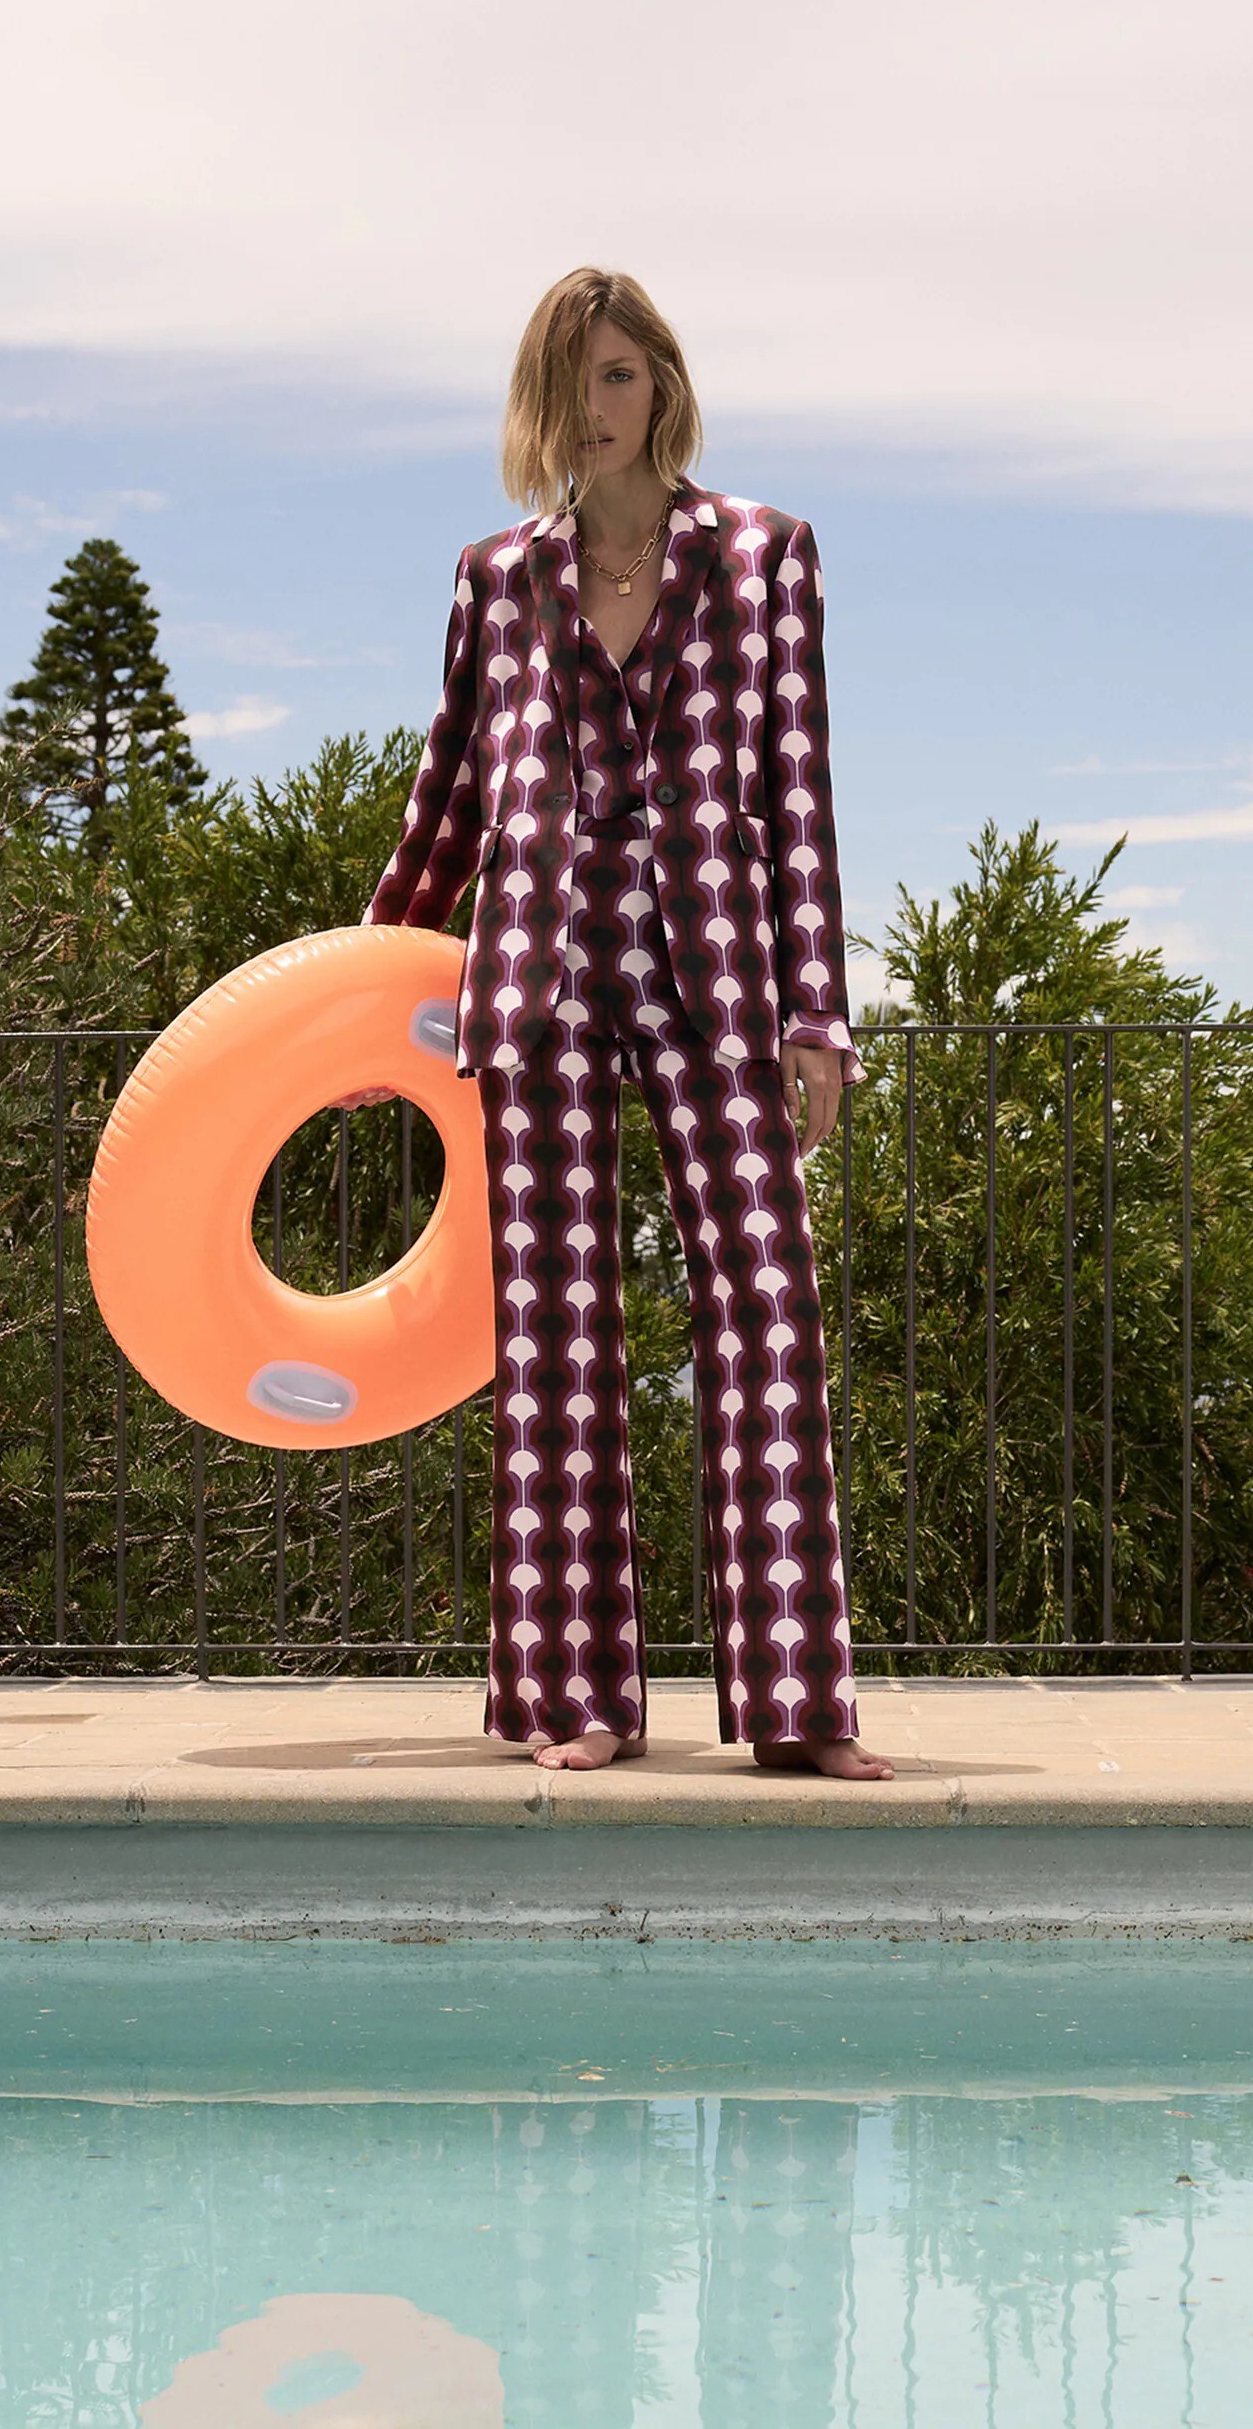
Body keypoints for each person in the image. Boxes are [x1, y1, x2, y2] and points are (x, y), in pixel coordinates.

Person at [359, 268, 892, 1782]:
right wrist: (363, 989)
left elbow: (799, 793)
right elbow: (450, 801)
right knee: (557, 1332)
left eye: (615, 376)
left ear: (660, 382)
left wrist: (818, 1011)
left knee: (768, 1309)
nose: (592, 410)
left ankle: (797, 1707)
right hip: (536, 974)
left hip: (719, 967)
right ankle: (573, 1698)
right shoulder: (494, 580)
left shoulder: (765, 555)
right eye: (567, 383)